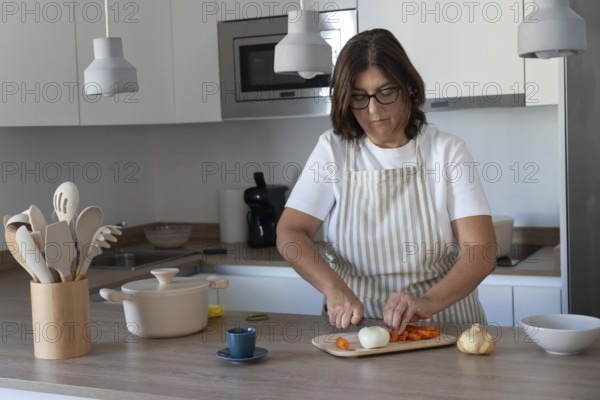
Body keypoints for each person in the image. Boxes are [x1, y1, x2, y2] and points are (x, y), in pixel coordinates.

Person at [276, 29, 497, 333]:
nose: (373, 110)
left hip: (443, 327)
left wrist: (427, 302)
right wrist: (333, 288)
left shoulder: (447, 151)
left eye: (385, 92)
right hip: (359, 330)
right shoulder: (332, 151)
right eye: (359, 96)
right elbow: (290, 232)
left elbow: (480, 251)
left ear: (408, 87)